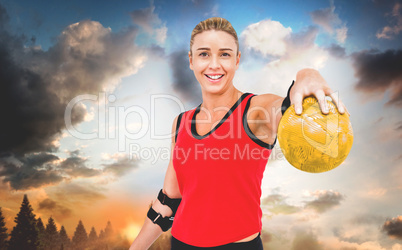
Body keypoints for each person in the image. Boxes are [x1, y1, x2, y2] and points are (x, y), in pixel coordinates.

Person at [129, 17, 347, 250]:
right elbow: (168, 201)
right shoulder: (180, 123)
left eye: (224, 54)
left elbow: (286, 106)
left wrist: (307, 74)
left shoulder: (256, 112)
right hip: (181, 244)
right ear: (191, 61)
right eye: (204, 54)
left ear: (237, 60)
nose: (214, 64)